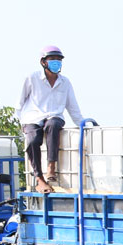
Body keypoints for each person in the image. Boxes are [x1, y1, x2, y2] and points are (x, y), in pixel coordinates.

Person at [17, 46, 86, 194]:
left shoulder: (65, 82)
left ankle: (51, 168)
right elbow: (20, 102)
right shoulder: (32, 78)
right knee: (33, 140)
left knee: (53, 125)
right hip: (32, 117)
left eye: (59, 60)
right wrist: (21, 123)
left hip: (54, 117)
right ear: (43, 62)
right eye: (53, 59)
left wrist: (84, 125)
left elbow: (73, 107)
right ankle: (39, 179)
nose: (57, 63)